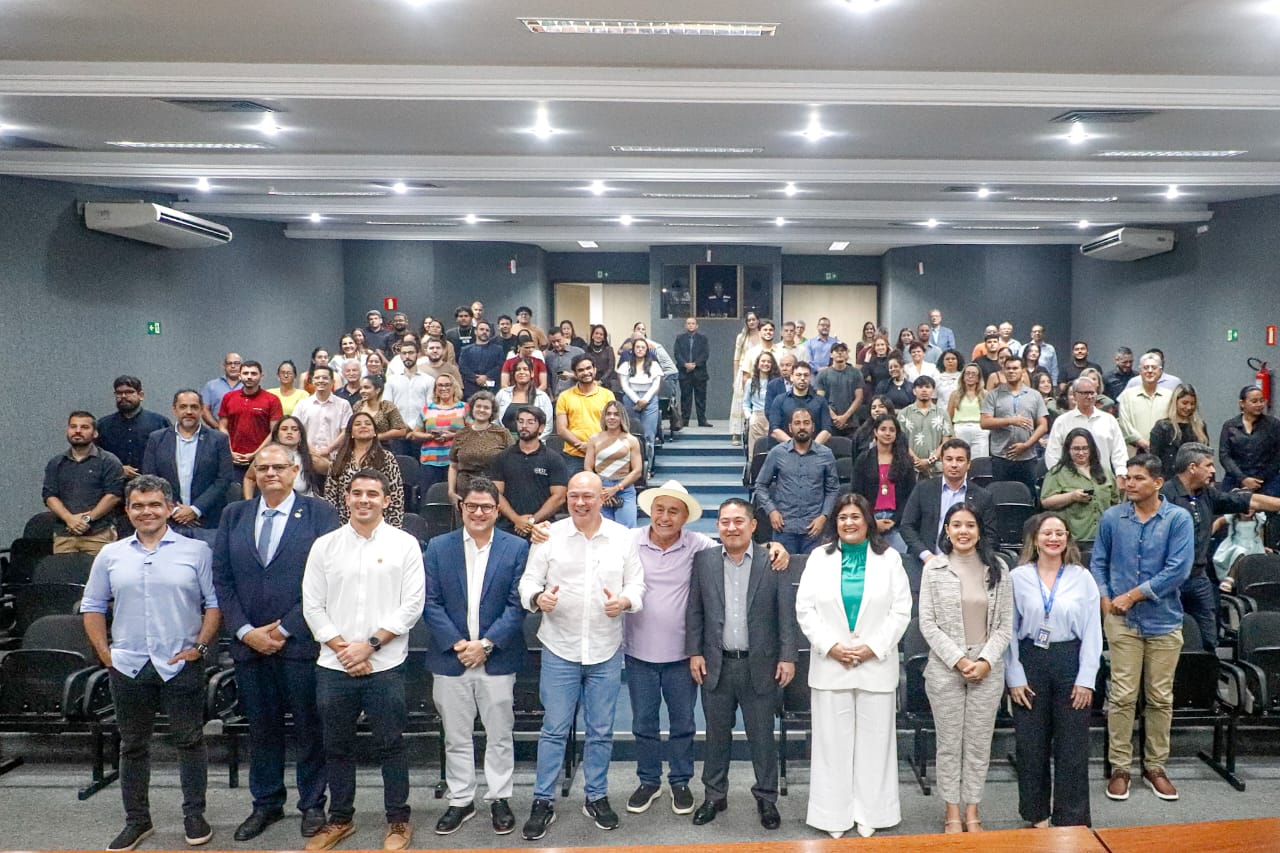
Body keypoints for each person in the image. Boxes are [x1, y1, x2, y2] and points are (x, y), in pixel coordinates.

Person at [81, 474, 220, 851]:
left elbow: (213, 604)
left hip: (181, 662)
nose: (147, 512)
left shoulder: (197, 551)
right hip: (128, 665)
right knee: (132, 745)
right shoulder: (111, 554)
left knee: (189, 741)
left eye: (155, 504)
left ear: (170, 508)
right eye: (138, 506)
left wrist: (200, 647)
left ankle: (194, 815)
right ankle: (137, 821)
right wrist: (105, 653)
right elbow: (92, 606)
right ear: (127, 511)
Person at [213, 443, 340, 842]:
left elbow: (328, 579)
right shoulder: (235, 514)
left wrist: (285, 629)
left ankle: (312, 804)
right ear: (253, 472)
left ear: (294, 471)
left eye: (278, 467)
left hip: (300, 643)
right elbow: (222, 580)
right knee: (262, 729)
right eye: (263, 467)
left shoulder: (319, 513)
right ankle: (266, 803)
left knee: (308, 728)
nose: (270, 473)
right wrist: (245, 631)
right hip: (249, 645)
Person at [302, 468, 426, 851]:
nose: (364, 500)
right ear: (346, 498)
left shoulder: (405, 545)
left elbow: (411, 606)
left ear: (386, 500)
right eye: (356, 493)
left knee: (391, 744)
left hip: (385, 664)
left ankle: (398, 819)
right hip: (334, 664)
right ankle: (341, 819)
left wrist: (368, 646)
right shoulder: (325, 546)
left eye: (372, 494)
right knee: (336, 746)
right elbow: (312, 605)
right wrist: (346, 650)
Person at [517, 471, 645, 840]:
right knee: (554, 729)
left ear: (602, 498)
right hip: (560, 647)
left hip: (606, 648)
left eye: (588, 496)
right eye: (574, 495)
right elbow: (528, 582)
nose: (580, 502)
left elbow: (637, 584)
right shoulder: (549, 535)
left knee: (601, 730)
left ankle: (596, 796)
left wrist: (625, 601)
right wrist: (538, 598)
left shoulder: (623, 537)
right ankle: (543, 800)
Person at [796, 492, 911, 839]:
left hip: (875, 664)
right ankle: (833, 815)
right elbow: (805, 609)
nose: (849, 522)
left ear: (868, 521)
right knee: (832, 745)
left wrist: (872, 648)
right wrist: (831, 647)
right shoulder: (819, 558)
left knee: (876, 744)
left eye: (855, 516)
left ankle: (872, 812)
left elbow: (901, 610)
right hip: (831, 665)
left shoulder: (890, 559)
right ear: (835, 522)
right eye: (843, 517)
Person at [423, 477, 529, 837]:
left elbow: (517, 605)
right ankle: (461, 800)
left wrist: (486, 644)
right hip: (451, 658)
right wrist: (459, 644)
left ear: (497, 510)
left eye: (486, 507)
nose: (479, 512)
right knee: (456, 736)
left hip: (497, 658)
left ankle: (499, 797)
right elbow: (430, 602)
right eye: (472, 506)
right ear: (461, 507)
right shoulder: (439, 547)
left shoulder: (516, 548)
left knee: (500, 733)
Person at [686, 498, 797, 830]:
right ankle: (714, 795)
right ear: (717, 525)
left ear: (753, 525)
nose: (731, 527)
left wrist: (787, 656)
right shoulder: (704, 560)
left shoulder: (773, 560)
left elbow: (785, 614)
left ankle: (766, 798)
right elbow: (695, 610)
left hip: (760, 664)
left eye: (738, 521)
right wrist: (695, 652)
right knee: (716, 737)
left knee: (762, 738)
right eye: (725, 521)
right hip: (716, 664)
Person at [1090, 454, 1193, 803]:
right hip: (1121, 621)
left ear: (1157, 483)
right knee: (1122, 696)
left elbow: (1178, 570)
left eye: (1138, 478)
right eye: (1127, 478)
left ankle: (1155, 767)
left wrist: (1133, 595)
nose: (1130, 484)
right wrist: (1105, 599)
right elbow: (1098, 561)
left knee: (1160, 698)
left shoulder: (1177, 519)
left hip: (1164, 620)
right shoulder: (1112, 517)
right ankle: (1120, 768)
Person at [918, 504, 1013, 833]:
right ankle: (951, 811)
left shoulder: (998, 567)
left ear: (979, 530)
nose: (963, 531)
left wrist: (985, 661)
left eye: (970, 525)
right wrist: (959, 660)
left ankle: (972, 809)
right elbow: (927, 624)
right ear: (946, 530)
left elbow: (1004, 626)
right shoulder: (934, 569)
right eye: (956, 525)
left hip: (987, 669)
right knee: (949, 744)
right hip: (946, 669)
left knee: (978, 744)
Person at [1005, 513, 1102, 828]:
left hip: (1070, 660)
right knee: (1031, 744)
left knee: (1072, 744)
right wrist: (1014, 676)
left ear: (1067, 538)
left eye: (1060, 532)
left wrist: (1086, 679)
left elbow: (1093, 631)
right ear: (1035, 538)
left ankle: (1071, 817)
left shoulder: (1081, 577)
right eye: (1047, 532)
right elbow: (1008, 630)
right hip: (1030, 661)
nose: (1054, 538)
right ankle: (1036, 814)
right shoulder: (1017, 577)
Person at [1160, 443, 1280, 651]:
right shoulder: (1164, 496)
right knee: (1170, 640)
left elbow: (1249, 500)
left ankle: (1209, 670)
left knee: (1209, 639)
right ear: (1192, 467)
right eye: (1208, 465)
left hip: (1198, 578)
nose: (1213, 470)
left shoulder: (1208, 493)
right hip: (1169, 580)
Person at [899, 438, 999, 591]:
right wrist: (926, 556)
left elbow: (990, 537)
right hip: (926, 563)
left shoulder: (983, 496)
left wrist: (972, 560)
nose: (954, 464)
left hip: (968, 568)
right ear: (942, 461)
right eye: (949, 459)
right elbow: (907, 526)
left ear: (968, 464)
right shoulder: (923, 489)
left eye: (960, 460)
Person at [141, 389, 234, 542]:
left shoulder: (219, 440)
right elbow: (150, 479)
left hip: (207, 522)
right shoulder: (157, 439)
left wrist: (195, 509)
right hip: (168, 520)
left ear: (201, 409)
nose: (189, 412)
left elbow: (224, 479)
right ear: (174, 409)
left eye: (194, 407)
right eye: (183, 407)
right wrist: (174, 509)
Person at [754, 407, 839, 555]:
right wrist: (771, 511)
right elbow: (760, 485)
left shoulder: (826, 454)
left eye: (806, 423)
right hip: (784, 527)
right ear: (790, 427)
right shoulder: (777, 453)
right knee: (782, 568)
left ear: (813, 427)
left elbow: (833, 489)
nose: (802, 427)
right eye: (797, 423)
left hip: (815, 529)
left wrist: (824, 516)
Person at [44, 411, 124, 555]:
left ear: (95, 433)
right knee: (62, 569)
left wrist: (87, 519)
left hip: (99, 534)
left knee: (99, 570)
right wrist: (69, 519)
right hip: (64, 535)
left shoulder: (109, 461)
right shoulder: (56, 463)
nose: (78, 431)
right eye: (73, 426)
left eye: (84, 427)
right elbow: (49, 496)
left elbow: (114, 495)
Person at [490, 406, 568, 536]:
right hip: (507, 527)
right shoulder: (502, 457)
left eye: (530, 422)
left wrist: (532, 521)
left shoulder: (554, 459)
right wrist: (516, 519)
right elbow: (496, 493)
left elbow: (559, 497)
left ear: (541, 428)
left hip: (543, 528)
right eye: (520, 421)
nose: (524, 426)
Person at [1040, 428, 1120, 548]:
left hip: (1104, 537)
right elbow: (1046, 501)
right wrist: (1071, 497)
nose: (1081, 453)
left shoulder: (1106, 472)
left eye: (1085, 448)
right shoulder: (1057, 473)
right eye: (1076, 449)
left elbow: (1115, 502)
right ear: (1068, 450)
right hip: (1074, 539)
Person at [324, 412, 406, 528]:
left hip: (379, 525)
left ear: (375, 432)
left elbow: (396, 495)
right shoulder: (340, 458)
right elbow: (330, 495)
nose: (363, 426)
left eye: (368, 424)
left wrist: (393, 527)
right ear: (351, 432)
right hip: (345, 525)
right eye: (358, 424)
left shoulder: (386, 458)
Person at [980, 355, 1048, 491]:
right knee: (1001, 495)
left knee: (1028, 496)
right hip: (1001, 457)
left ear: (1023, 371)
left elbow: (1043, 425)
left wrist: (1026, 445)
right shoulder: (993, 395)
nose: (1011, 371)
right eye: (1008, 368)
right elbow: (984, 422)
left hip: (1027, 457)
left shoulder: (1034, 395)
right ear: (1003, 371)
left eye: (1015, 368)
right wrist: (1011, 421)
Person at [851, 414, 916, 554]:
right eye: (883, 429)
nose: (887, 433)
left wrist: (894, 521)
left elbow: (911, 496)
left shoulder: (905, 461)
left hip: (897, 521)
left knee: (901, 558)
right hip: (869, 519)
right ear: (875, 432)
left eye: (892, 430)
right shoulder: (863, 459)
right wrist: (871, 521)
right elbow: (856, 494)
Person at [1043, 376, 1128, 478]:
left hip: (1104, 480)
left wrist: (1121, 473)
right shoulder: (1062, 421)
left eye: (1092, 393)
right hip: (1070, 481)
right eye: (1085, 393)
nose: (1089, 396)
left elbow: (1119, 451)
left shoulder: (1109, 420)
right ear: (1075, 395)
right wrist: (1059, 478)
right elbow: (1053, 454)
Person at [96, 375, 172, 479]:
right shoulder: (103, 425)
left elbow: (170, 456)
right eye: (119, 393)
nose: (123, 396)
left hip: (150, 483)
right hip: (114, 484)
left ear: (141, 395)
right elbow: (96, 457)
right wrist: (118, 469)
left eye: (129, 392)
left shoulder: (159, 422)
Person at [219, 360, 284, 478]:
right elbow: (222, 427)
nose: (249, 377)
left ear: (261, 376)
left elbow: (274, 431)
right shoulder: (228, 397)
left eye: (253, 373)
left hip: (262, 460)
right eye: (245, 373)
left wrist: (256, 453)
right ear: (239, 376)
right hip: (232, 459)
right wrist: (230, 452)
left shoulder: (272, 400)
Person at [584, 400, 644, 527]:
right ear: (604, 417)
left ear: (622, 417)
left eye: (616, 414)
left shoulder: (631, 440)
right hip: (600, 489)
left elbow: (637, 470)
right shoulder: (594, 439)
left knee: (627, 532)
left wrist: (615, 489)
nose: (612, 417)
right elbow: (588, 467)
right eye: (609, 414)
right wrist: (601, 489)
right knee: (601, 531)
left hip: (624, 489)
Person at [447, 390, 511, 501]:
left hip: (494, 491)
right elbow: (453, 466)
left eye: (486, 407)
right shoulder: (461, 434)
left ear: (492, 411)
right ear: (472, 409)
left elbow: (513, 463)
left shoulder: (503, 433)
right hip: (464, 492)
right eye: (478, 406)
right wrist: (451, 491)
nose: (481, 410)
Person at [555, 353, 616, 467]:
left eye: (589, 368)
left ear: (595, 370)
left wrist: (593, 447)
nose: (586, 372)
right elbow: (561, 429)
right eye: (581, 370)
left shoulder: (608, 395)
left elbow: (613, 426)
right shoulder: (564, 396)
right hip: (574, 455)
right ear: (575, 374)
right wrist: (581, 446)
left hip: (602, 453)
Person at [411, 372, 468, 492]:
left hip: (456, 461)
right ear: (435, 390)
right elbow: (415, 433)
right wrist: (431, 436)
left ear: (454, 387)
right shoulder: (427, 408)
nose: (444, 388)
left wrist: (453, 435)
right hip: (430, 461)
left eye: (447, 385)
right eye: (440, 385)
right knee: (429, 496)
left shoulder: (464, 408)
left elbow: (472, 432)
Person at [1219, 385, 1280, 496]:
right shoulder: (1230, 425)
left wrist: (1259, 479)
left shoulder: (1273, 424)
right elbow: (1224, 455)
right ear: (1242, 403)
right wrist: (1243, 478)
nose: (1259, 404)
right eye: (1254, 401)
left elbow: (1277, 456)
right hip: (1236, 478)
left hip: (1267, 479)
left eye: (1262, 401)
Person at [292, 365, 352, 475]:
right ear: (312, 381)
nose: (321, 381)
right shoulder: (302, 404)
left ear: (332, 381)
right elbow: (296, 430)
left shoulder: (343, 404)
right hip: (307, 459)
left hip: (335, 460)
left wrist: (328, 449)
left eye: (325, 378)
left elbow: (346, 431)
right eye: (317, 378)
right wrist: (311, 450)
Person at [243, 416, 320, 499]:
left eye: (294, 429)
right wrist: (249, 501)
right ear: (276, 434)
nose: (289, 432)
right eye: (284, 429)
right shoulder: (265, 456)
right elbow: (249, 478)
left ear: (301, 435)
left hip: (304, 504)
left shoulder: (311, 458)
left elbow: (328, 470)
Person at [1148, 384, 1210, 487]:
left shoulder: (1200, 426)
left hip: (1196, 481)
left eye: (1192, 404)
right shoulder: (1163, 427)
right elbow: (1154, 458)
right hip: (1168, 482)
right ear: (1175, 402)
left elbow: (1207, 457)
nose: (1188, 407)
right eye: (1184, 403)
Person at [384, 339, 434, 458]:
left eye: (411, 353)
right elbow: (386, 406)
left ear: (418, 354)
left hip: (421, 433)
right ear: (400, 356)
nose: (407, 356)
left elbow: (430, 407)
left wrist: (413, 428)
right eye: (404, 353)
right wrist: (402, 427)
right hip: (398, 434)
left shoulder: (429, 380)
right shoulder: (391, 380)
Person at [898, 375, 953, 479]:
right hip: (910, 468)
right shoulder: (904, 414)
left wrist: (930, 460)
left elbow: (946, 441)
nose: (924, 390)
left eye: (927, 387)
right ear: (914, 391)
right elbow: (900, 440)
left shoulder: (942, 414)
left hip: (936, 468)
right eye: (920, 387)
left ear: (933, 391)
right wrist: (916, 460)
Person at [618, 337, 663, 464]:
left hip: (650, 400)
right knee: (631, 435)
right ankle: (632, 466)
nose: (640, 349)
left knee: (649, 435)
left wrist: (645, 400)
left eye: (643, 347)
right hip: (631, 399)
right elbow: (624, 385)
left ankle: (648, 467)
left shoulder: (654, 365)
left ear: (647, 350)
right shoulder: (625, 365)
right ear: (633, 349)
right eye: (637, 347)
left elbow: (655, 385)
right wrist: (637, 400)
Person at [1117, 352, 1173, 454]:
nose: (1150, 371)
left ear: (1160, 371)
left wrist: (1156, 446)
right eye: (1146, 367)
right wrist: (1142, 442)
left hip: (1162, 453)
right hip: (1134, 453)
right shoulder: (1127, 395)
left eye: (1154, 368)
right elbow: (1124, 423)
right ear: (1140, 371)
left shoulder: (1170, 396)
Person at [767, 360, 833, 446]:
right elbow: (774, 430)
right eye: (798, 375)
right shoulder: (779, 400)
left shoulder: (820, 401)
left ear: (810, 378)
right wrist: (795, 447)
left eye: (806, 375)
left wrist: (811, 448)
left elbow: (827, 430)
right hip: (785, 449)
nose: (802, 378)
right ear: (791, 377)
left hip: (814, 450)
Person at [495, 356, 554, 438]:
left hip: (534, 442)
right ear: (514, 374)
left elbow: (547, 425)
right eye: (518, 369)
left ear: (532, 373)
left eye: (525, 369)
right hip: (505, 441)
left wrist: (535, 442)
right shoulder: (502, 394)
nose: (521, 372)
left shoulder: (542, 397)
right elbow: (494, 420)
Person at [815, 342, 863, 438]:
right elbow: (820, 399)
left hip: (851, 423)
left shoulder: (856, 373)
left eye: (843, 350)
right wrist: (835, 417)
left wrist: (845, 417)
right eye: (836, 351)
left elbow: (859, 397)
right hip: (830, 423)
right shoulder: (823, 374)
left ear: (847, 354)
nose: (840, 353)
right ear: (831, 354)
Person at [729, 312, 762, 446]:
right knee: (740, 402)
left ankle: (753, 432)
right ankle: (736, 433)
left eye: (753, 319)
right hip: (744, 372)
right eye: (749, 320)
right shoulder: (741, 337)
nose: (751, 322)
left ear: (758, 321)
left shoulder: (762, 335)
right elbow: (736, 359)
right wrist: (735, 377)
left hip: (760, 372)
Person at [351, 374, 409, 447]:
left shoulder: (387, 406)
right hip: (360, 447)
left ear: (377, 390)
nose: (362, 391)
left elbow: (401, 430)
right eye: (361, 388)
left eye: (366, 387)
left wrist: (377, 437)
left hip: (384, 447)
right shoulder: (358, 406)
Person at [674, 316, 711, 427]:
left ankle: (702, 420)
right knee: (685, 397)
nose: (690, 325)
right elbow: (677, 354)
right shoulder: (679, 338)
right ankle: (684, 420)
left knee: (701, 398)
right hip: (684, 372)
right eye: (688, 323)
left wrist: (695, 364)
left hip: (699, 372)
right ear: (685, 325)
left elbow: (705, 354)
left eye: (693, 323)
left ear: (697, 326)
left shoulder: (703, 339)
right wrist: (685, 364)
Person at [948, 362, 988, 459]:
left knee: (980, 460)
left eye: (974, 374)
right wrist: (952, 434)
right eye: (967, 373)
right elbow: (948, 417)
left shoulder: (985, 394)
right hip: (960, 429)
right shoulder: (955, 394)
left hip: (980, 430)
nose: (970, 376)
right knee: (960, 458)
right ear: (963, 377)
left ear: (978, 378)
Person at [742, 350, 781, 452]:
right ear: (758, 364)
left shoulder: (777, 383)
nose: (766, 364)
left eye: (769, 362)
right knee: (755, 449)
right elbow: (746, 403)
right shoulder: (750, 382)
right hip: (756, 418)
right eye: (763, 361)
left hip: (772, 418)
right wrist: (750, 417)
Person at [458, 320, 506, 400]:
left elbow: (500, 366)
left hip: (492, 388)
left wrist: (486, 376)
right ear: (475, 331)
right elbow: (463, 367)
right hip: (470, 388)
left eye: (487, 330)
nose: (484, 332)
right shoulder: (465, 350)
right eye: (482, 329)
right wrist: (475, 378)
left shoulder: (498, 349)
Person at [201, 352, 243, 430]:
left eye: (236, 363)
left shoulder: (248, 386)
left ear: (242, 366)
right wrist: (219, 428)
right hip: (216, 432)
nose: (233, 366)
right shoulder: (211, 386)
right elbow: (204, 410)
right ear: (224, 366)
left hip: (243, 433)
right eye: (229, 363)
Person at [543, 328, 584, 401]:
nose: (556, 344)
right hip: (557, 398)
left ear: (565, 337)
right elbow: (548, 379)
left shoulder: (578, 352)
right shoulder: (549, 356)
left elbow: (586, 375)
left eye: (558, 341)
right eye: (553, 342)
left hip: (576, 397)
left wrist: (571, 375)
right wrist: (551, 396)